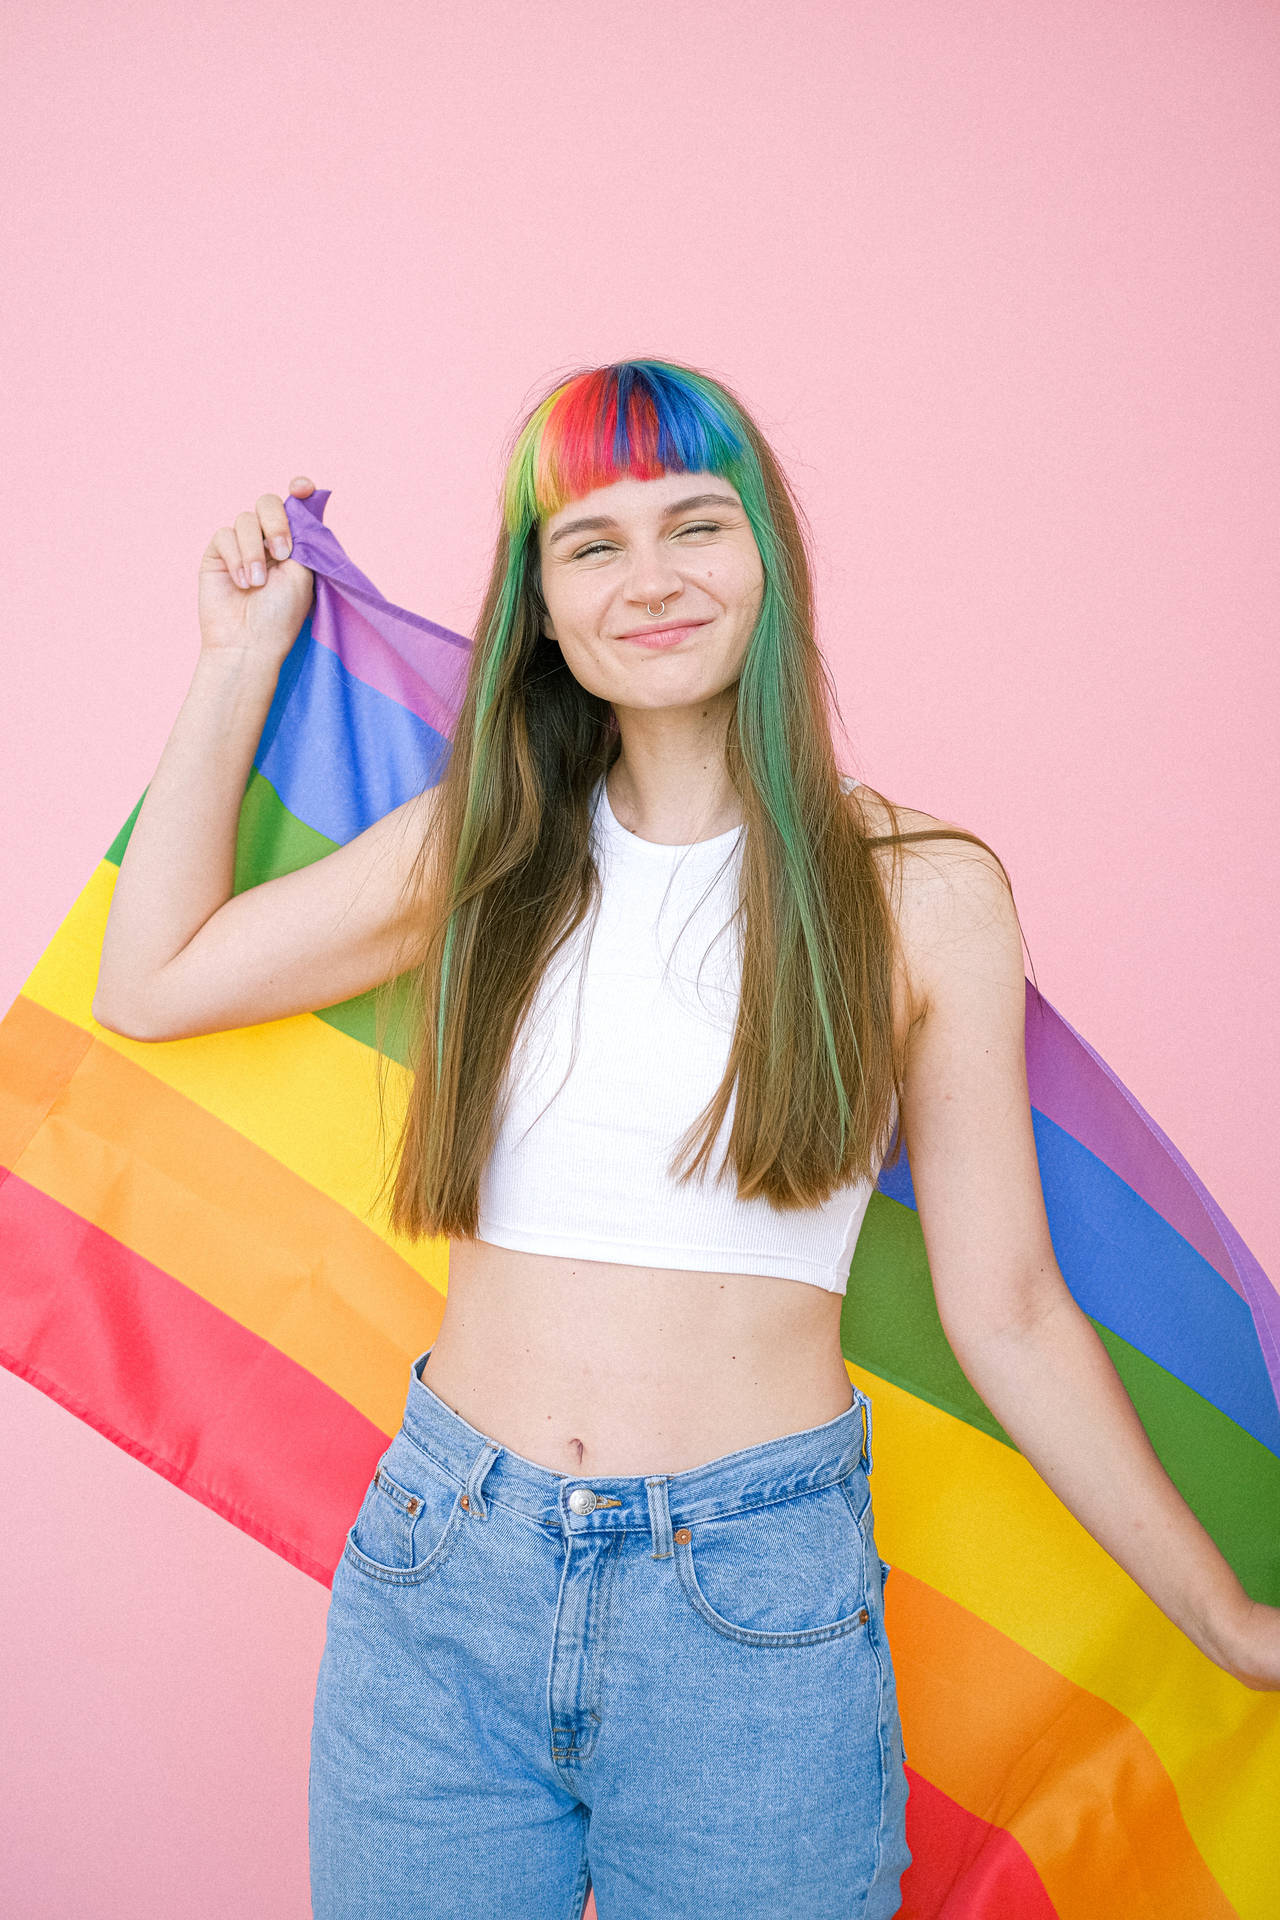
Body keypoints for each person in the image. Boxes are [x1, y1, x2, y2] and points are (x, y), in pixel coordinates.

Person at [91, 359, 1280, 1920]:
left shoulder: (923, 892)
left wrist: (1229, 1619)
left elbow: (1009, 1307)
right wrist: (237, 660)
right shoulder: (485, 844)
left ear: (767, 560)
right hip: (445, 1575)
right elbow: (151, 981)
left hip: (754, 1610)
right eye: (591, 543)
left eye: (695, 526)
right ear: (544, 604)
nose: (648, 578)